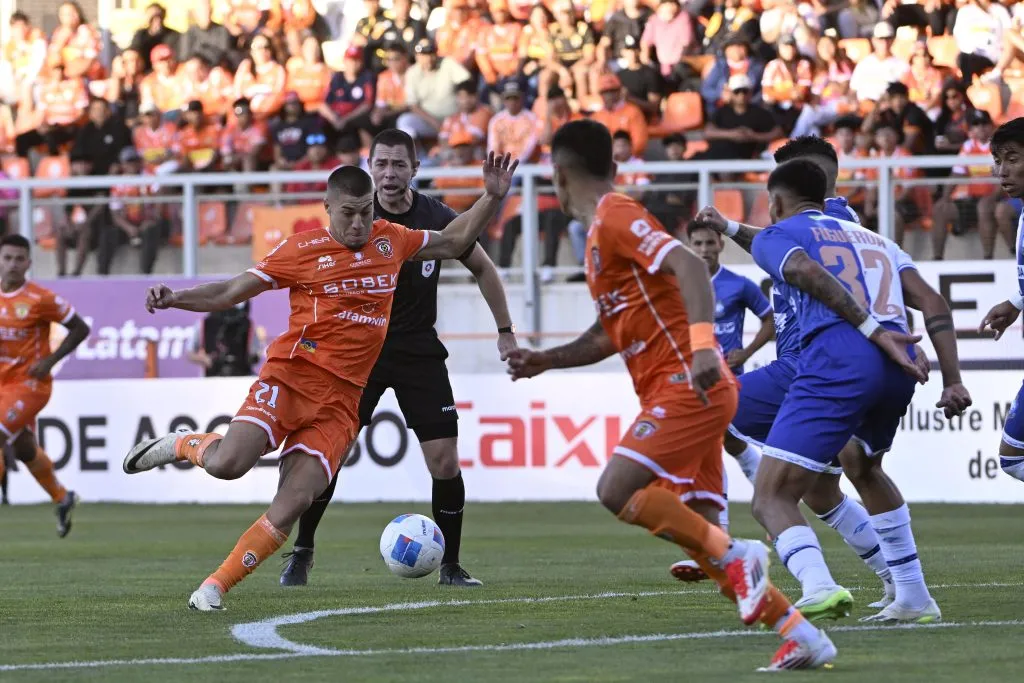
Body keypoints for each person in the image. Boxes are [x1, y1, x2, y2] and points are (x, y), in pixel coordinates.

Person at [506, 119, 837, 671]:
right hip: (681, 389)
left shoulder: (615, 214)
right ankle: (800, 634)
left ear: (558, 175)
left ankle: (744, 555)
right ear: (611, 166)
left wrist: (705, 347)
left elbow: (687, 263)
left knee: (616, 489)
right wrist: (547, 360)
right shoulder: (596, 240)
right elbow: (604, 333)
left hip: (692, 383)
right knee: (702, 544)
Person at [122, 153, 519, 611]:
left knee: (294, 500)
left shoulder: (393, 241)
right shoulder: (300, 251)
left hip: (342, 402)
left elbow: (454, 241)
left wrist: (490, 196)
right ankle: (183, 444)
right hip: (291, 378)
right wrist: (175, 298)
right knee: (228, 465)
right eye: (348, 214)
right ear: (327, 208)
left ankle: (214, 586)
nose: (359, 224)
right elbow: (230, 292)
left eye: (367, 212)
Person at [684, 137, 970, 624]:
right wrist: (952, 379)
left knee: (732, 441)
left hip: (825, 363)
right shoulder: (874, 238)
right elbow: (935, 304)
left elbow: (797, 263)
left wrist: (869, 330)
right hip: (899, 363)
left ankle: (802, 577)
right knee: (849, 474)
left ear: (776, 198)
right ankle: (910, 591)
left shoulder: (787, 233)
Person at [280, 129, 517, 587]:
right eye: (381, 164)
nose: (389, 174)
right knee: (330, 457)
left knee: (445, 462)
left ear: (415, 169)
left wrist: (505, 331)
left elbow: (482, 266)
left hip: (418, 351)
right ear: (369, 167)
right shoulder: (352, 219)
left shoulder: (434, 216)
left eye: (398, 165)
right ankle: (302, 551)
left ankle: (450, 565)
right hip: (357, 354)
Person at [0, 234, 90, 536]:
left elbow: (80, 327)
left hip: (30, 385)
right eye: (7, 257)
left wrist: (51, 361)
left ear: (28, 263)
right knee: (25, 447)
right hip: (2, 384)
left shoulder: (40, 299)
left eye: (18, 259)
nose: (12, 264)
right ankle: (63, 497)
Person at [979, 116, 1024, 484]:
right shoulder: (1022, 212)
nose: (1002, 170)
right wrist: (1016, 301)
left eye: (1012, 158)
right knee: (1013, 457)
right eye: (999, 160)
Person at [187, 301, 261, 377]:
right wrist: (205, 360)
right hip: (211, 376)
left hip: (241, 375)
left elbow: (255, 354)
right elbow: (190, 353)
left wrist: (252, 357)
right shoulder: (203, 324)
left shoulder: (247, 325)